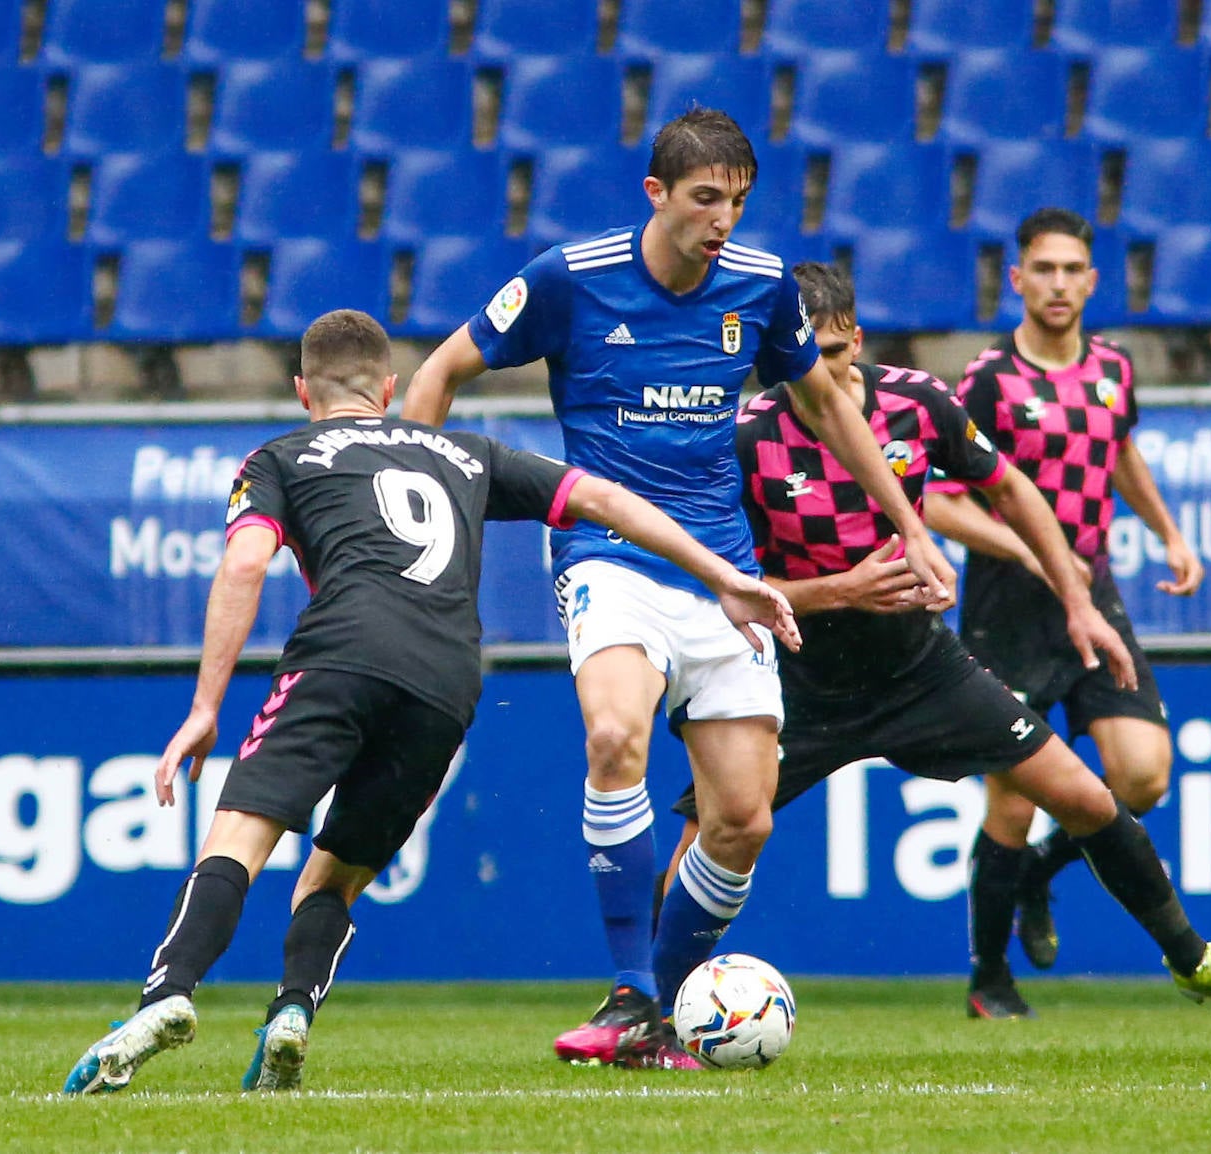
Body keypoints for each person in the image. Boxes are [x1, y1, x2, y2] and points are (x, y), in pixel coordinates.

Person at [62, 308, 800, 1094]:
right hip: (445, 685)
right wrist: (723, 576)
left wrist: (205, 708)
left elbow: (244, 565)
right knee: (335, 878)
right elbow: (607, 502)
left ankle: (167, 995)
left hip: (339, 655)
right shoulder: (466, 453)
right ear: (387, 390)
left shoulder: (279, 457)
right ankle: (292, 1013)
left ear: (303, 390)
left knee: (238, 841)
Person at [402, 107, 957, 1069]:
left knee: (742, 818)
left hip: (723, 572)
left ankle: (651, 1016)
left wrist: (910, 524)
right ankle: (630, 990)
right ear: (655, 193)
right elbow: (439, 373)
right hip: (608, 555)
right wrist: (411, 512)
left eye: (737, 201)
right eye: (705, 199)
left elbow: (828, 406)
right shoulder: (569, 278)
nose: (722, 220)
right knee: (615, 734)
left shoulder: (761, 285)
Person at [666, 261, 1211, 1019]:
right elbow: (722, 590)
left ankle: (1192, 958)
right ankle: (650, 1002)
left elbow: (1010, 487)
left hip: (920, 668)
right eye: (797, 358)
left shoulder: (917, 402)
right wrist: (839, 591)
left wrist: (1077, 600)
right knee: (710, 832)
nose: (817, 376)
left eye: (831, 354)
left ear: (856, 340)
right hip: (799, 680)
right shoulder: (744, 440)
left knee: (1085, 796)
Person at [924, 207, 1208, 1014]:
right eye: (1042, 269)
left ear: (1092, 281)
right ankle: (989, 979)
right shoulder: (987, 380)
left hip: (1094, 592)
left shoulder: (1113, 368)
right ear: (1017, 280)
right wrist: (1027, 550)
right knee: (1013, 798)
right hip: (1009, 604)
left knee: (1143, 774)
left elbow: (1118, 451)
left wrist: (1169, 531)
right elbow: (938, 501)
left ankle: (1039, 874)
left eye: (1071, 270)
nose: (1057, 283)